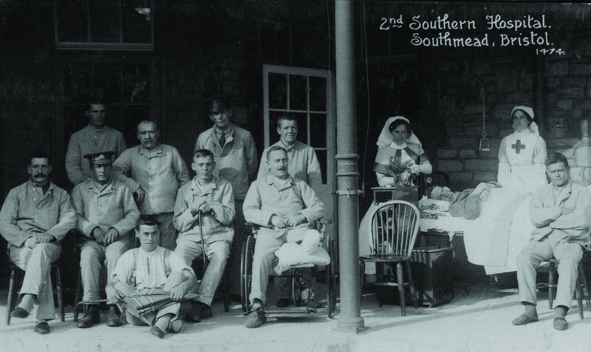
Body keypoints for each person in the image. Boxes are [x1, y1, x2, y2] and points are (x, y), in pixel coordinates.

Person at [243, 146, 325, 328]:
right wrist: (270, 218)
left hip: (296, 229)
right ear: (268, 164)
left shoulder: (300, 184)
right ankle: (257, 304)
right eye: (277, 161)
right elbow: (248, 211)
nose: (281, 164)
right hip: (270, 231)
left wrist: (301, 216)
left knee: (307, 248)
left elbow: (319, 207)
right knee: (261, 257)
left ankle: (307, 295)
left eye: (284, 160)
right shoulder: (258, 185)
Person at [512, 153, 591, 331]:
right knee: (524, 257)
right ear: (548, 173)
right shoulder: (541, 193)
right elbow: (535, 218)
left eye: (561, 171)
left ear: (568, 170)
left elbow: (582, 221)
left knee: (569, 260)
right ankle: (530, 309)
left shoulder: (582, 193)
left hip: (572, 239)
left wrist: (551, 220)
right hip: (545, 238)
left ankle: (560, 312)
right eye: (553, 171)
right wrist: (561, 211)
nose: (557, 175)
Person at [0, 150, 76, 334]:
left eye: (43, 166)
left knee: (41, 252)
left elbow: (70, 219)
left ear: (50, 169)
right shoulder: (16, 193)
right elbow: (4, 222)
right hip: (22, 247)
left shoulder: (61, 194)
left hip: (50, 245)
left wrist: (50, 234)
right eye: (35, 166)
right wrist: (25, 239)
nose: (39, 170)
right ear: (29, 169)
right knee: (41, 263)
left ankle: (27, 298)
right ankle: (41, 319)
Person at [194, 95, 257, 300]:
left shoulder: (244, 136)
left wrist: (237, 181)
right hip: (211, 196)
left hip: (237, 194)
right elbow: (199, 162)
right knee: (214, 241)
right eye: (214, 113)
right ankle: (216, 290)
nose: (219, 117)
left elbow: (252, 165)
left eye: (222, 112)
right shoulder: (203, 137)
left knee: (237, 242)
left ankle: (237, 290)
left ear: (229, 111)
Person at [71, 151, 140, 328]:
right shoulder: (80, 189)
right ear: (91, 168)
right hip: (91, 240)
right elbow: (75, 216)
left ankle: (114, 307)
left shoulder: (122, 188)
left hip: (117, 239)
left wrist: (116, 229)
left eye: (106, 166)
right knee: (88, 256)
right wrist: (92, 229)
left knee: (116, 253)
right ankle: (90, 308)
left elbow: (133, 214)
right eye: (97, 166)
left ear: (111, 167)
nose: (102, 170)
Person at [106, 216, 198, 339]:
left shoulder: (169, 255)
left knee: (178, 275)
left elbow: (190, 277)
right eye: (146, 234)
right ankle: (164, 323)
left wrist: (182, 286)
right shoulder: (129, 256)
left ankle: (160, 325)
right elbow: (113, 283)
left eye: (154, 234)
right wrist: (109, 289)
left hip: (163, 305)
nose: (150, 239)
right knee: (118, 286)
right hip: (137, 311)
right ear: (137, 233)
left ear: (159, 233)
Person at [173, 149, 235, 322]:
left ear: (214, 165)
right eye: (201, 165)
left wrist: (212, 207)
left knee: (220, 257)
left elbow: (229, 216)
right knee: (178, 258)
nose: (205, 168)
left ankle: (200, 303)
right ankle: (177, 299)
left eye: (209, 164)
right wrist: (192, 210)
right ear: (193, 167)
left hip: (217, 237)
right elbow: (178, 223)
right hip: (191, 238)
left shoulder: (224, 186)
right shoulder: (184, 190)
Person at [113, 120, 190, 250]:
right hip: (143, 213)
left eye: (151, 132)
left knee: (167, 252)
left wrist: (181, 205)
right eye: (143, 133)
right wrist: (134, 186)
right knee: (145, 252)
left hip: (167, 213)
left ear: (157, 133)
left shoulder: (171, 152)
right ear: (138, 135)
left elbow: (184, 179)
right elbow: (114, 171)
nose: (148, 136)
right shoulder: (131, 154)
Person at [66, 98, 127, 185]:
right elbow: (72, 167)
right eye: (95, 112)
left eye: (102, 111)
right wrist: (87, 184)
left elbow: (124, 166)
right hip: (85, 188)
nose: (99, 115)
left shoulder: (117, 136)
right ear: (88, 113)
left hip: (112, 188)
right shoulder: (77, 137)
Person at [257, 113, 322, 191]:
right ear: (279, 130)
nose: (290, 131)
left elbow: (315, 180)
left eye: (293, 127)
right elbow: (261, 179)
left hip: (300, 197)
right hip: (276, 198)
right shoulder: (268, 151)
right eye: (286, 128)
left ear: (297, 129)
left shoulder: (307, 151)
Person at [498, 105, 548, 193]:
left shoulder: (537, 140)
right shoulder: (506, 141)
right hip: (511, 183)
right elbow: (503, 167)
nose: (518, 121)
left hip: (531, 183)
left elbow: (540, 168)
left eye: (522, 117)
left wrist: (542, 191)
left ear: (528, 120)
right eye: (515, 118)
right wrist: (502, 188)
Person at [374, 116, 432, 187]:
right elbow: (380, 180)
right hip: (389, 191)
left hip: (412, 190)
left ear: (408, 133)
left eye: (403, 132)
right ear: (391, 133)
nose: (400, 136)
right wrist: (398, 179)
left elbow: (429, 169)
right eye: (397, 132)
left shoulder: (416, 148)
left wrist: (416, 168)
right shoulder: (383, 151)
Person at [425, 182, 502, 220]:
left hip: (499, 197)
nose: (446, 195)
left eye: (442, 191)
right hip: (496, 210)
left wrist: (486, 187)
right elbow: (471, 214)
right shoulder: (453, 207)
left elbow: (498, 185)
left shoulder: (464, 192)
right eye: (441, 197)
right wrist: (477, 192)